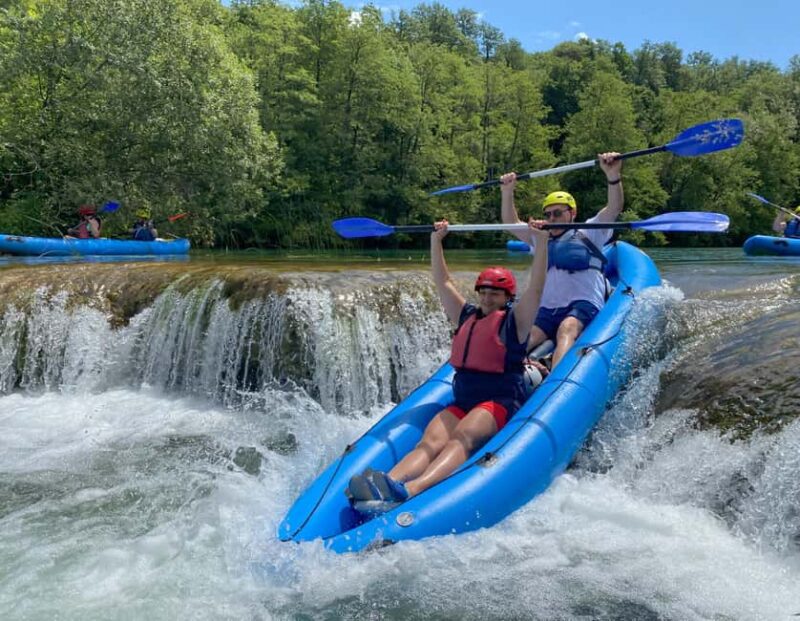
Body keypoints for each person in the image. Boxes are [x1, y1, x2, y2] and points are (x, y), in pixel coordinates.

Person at [346, 219, 550, 513]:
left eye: (495, 293)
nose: (487, 297)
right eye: (483, 291)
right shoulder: (467, 315)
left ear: (507, 298)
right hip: (463, 398)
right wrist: (436, 240)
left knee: (460, 439)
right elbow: (443, 282)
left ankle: (411, 490)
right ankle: (386, 483)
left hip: (497, 401)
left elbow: (538, 288)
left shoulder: (514, 322)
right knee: (428, 443)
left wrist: (541, 241)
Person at [500, 152, 623, 369]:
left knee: (566, 329)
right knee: (528, 338)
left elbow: (613, 208)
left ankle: (554, 382)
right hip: (548, 308)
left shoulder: (590, 231)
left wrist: (612, 176)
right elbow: (510, 222)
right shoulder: (539, 237)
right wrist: (507, 191)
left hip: (583, 304)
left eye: (557, 213)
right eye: (548, 215)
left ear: (572, 212)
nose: (552, 219)